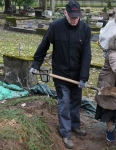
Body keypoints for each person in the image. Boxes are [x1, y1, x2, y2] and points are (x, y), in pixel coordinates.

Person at [29, 0, 91, 149]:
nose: (74, 20)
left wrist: (84, 77)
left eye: (77, 17)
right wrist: (36, 64)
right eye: (71, 17)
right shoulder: (55, 27)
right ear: (65, 13)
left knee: (76, 101)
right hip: (60, 73)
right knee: (64, 103)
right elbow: (43, 45)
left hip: (76, 75)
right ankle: (66, 133)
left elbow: (86, 54)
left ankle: (75, 125)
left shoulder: (85, 28)